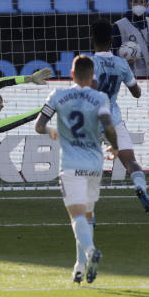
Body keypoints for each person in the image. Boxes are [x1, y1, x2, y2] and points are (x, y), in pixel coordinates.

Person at [34, 55, 117, 284]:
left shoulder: (58, 96)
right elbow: (108, 126)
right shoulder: (100, 97)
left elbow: (39, 126)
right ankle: (80, 266)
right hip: (94, 165)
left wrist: (50, 130)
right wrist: (116, 147)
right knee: (87, 215)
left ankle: (90, 251)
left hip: (71, 165)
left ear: (71, 74)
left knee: (77, 215)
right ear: (92, 77)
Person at [91, 18, 149, 215]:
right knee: (130, 161)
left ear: (92, 40)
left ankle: (86, 209)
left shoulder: (87, 63)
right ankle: (140, 187)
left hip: (90, 121)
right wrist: (128, 68)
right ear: (112, 41)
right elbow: (137, 93)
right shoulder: (121, 64)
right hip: (113, 120)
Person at [112, 0, 149, 77]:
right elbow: (112, 53)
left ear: (147, 5)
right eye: (135, 2)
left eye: (142, 2)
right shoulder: (119, 25)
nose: (138, 5)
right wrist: (123, 59)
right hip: (131, 78)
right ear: (130, 4)